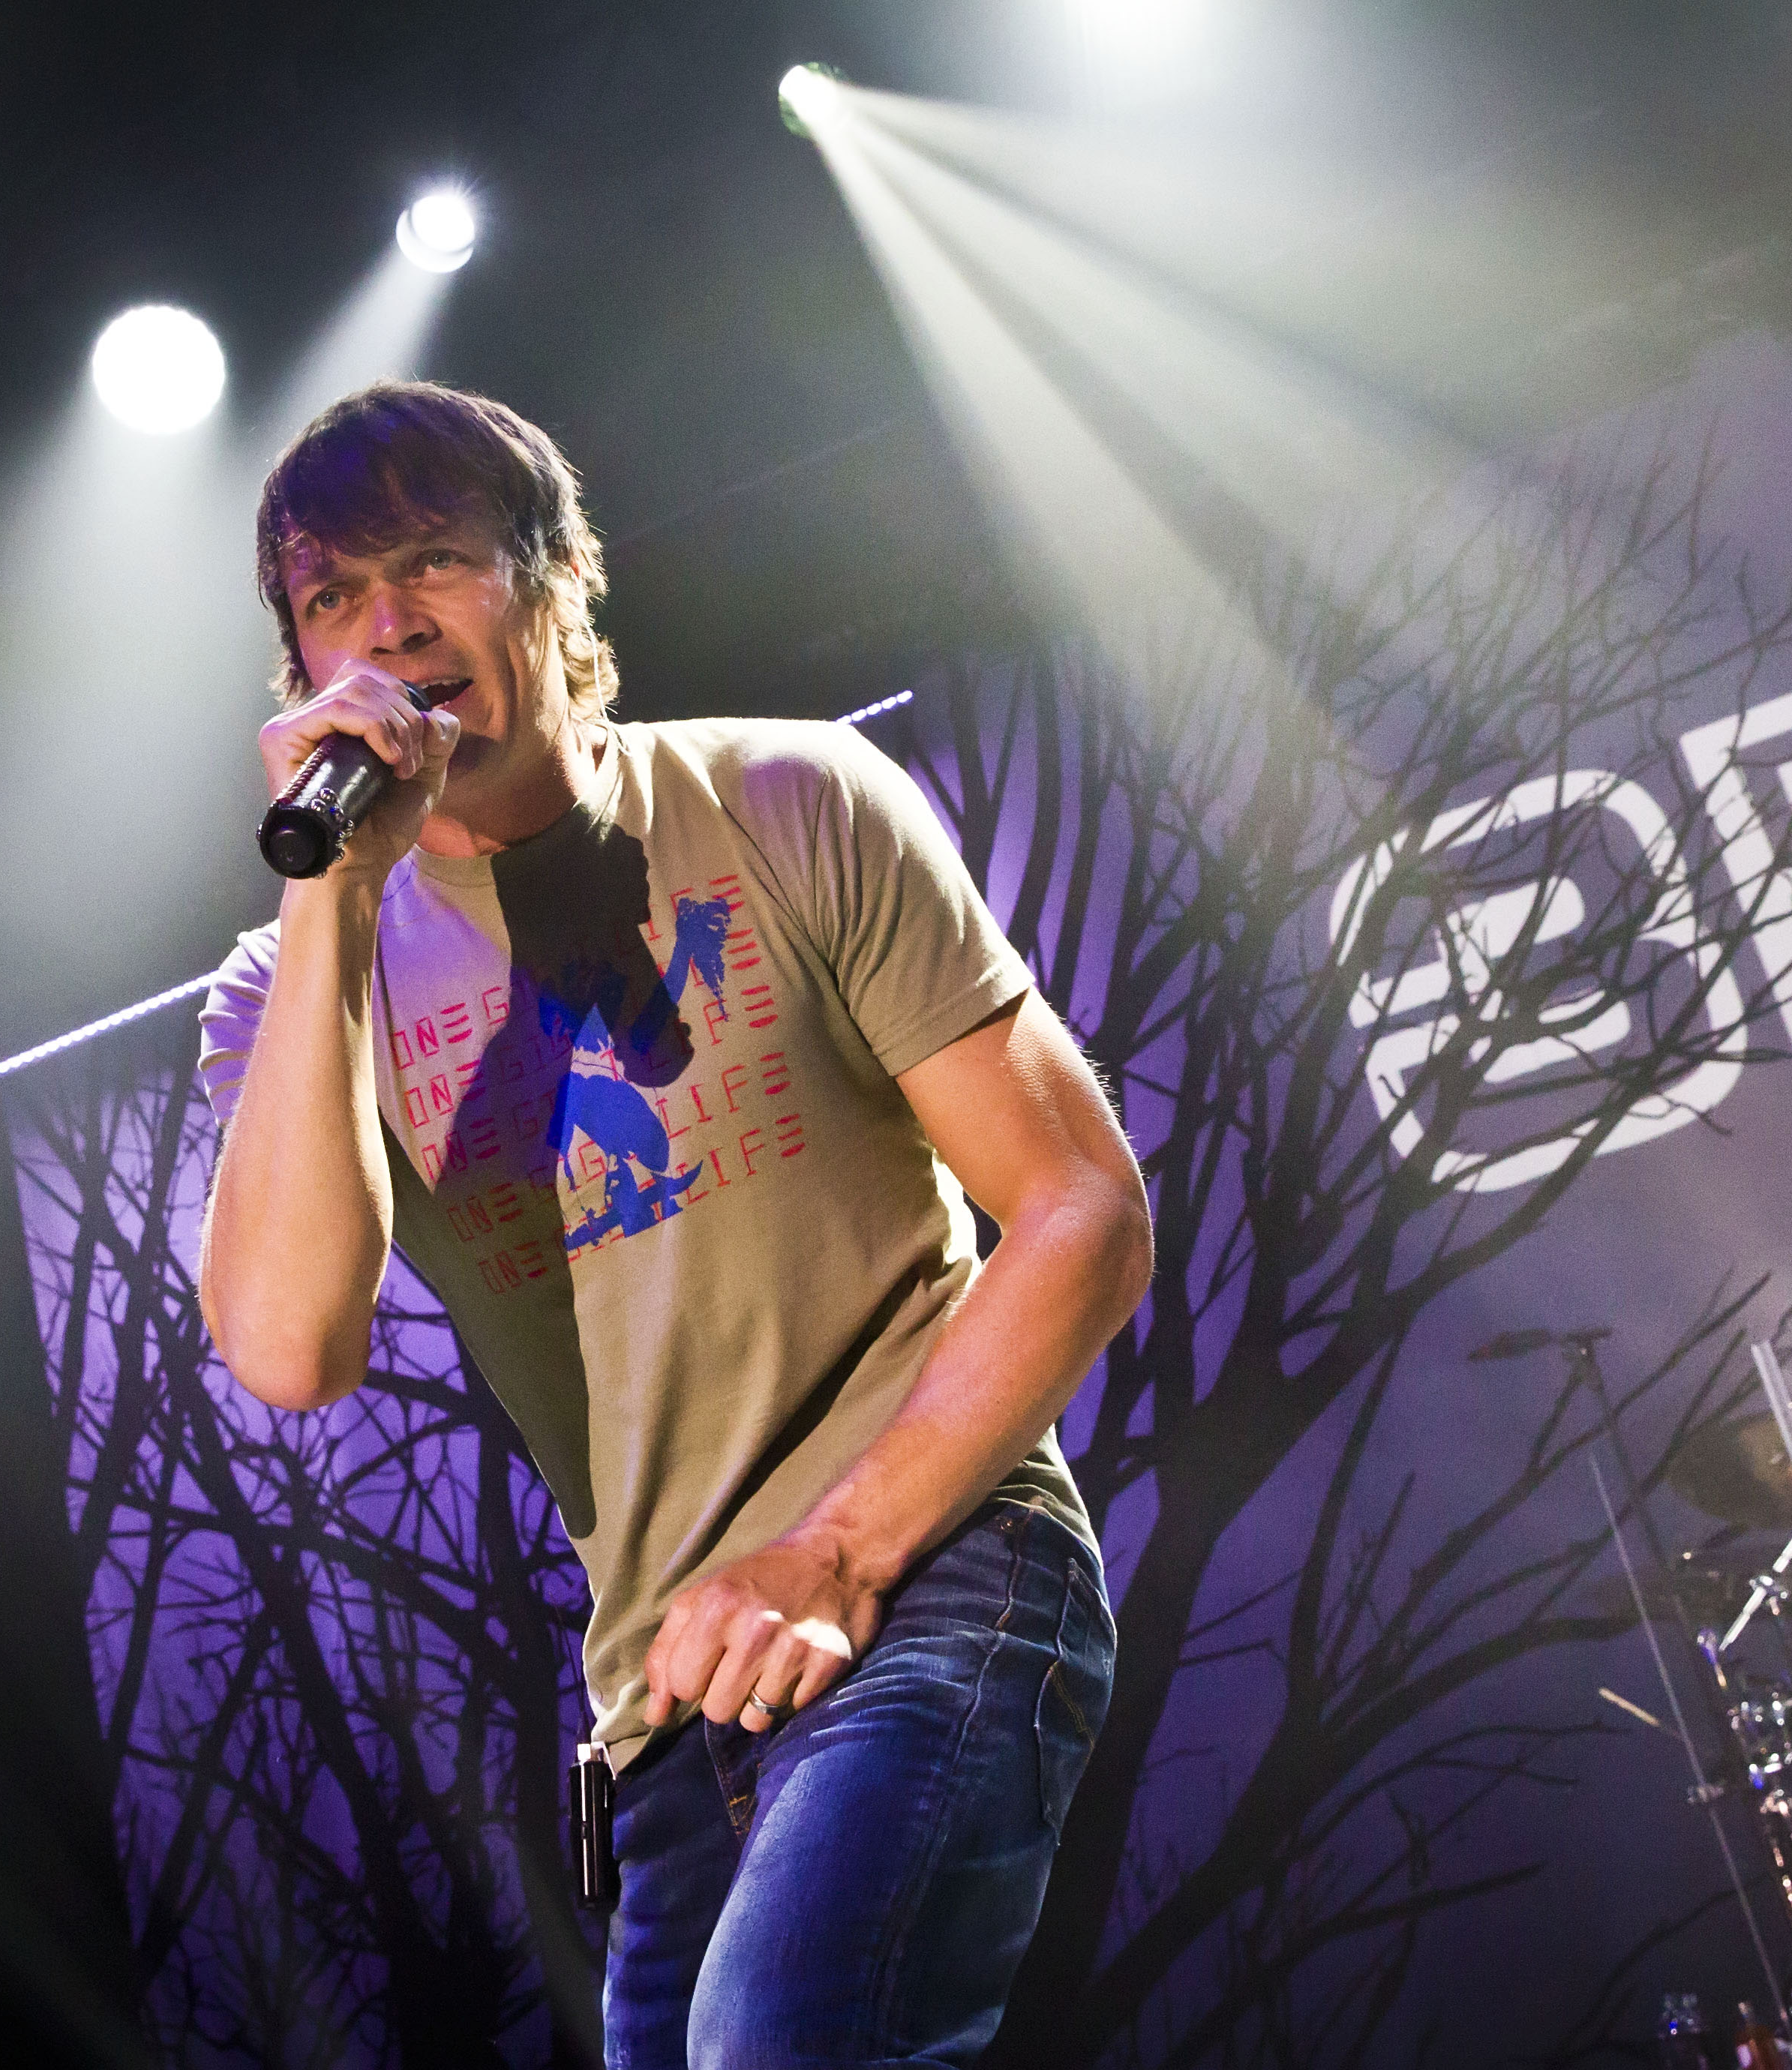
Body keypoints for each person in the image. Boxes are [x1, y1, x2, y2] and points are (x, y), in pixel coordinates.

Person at [194, 382, 1153, 2067]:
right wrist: (331, 896)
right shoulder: (292, 983)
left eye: (432, 560)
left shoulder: (788, 798)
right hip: (665, 1699)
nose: (390, 622)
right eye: (334, 593)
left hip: (931, 1564)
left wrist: (835, 1551)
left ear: (556, 583)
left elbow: (1083, 1206)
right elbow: (286, 1349)